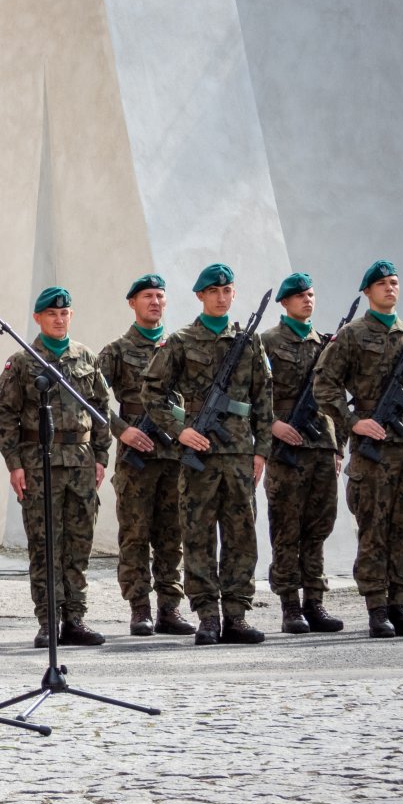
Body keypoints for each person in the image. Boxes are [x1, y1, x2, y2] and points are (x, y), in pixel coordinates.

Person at [140, 264, 273, 646]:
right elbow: (151, 392)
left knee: (241, 536)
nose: (221, 297)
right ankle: (208, 616)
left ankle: (236, 616)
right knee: (197, 535)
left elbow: (264, 398)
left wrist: (261, 451)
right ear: (200, 295)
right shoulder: (182, 341)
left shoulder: (249, 342)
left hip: (239, 453)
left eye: (227, 290)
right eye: (213, 291)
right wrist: (179, 430)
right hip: (200, 454)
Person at [0, 287, 111, 649]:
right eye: (51, 314)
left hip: (81, 462)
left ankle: (75, 618)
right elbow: (4, 417)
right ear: (38, 318)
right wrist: (14, 465)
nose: (59, 320)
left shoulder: (86, 357)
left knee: (79, 544)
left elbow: (101, 409)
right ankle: (48, 621)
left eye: (64, 314)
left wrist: (101, 456)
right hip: (39, 462)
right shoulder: (23, 361)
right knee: (45, 544)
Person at [313, 260, 403, 638]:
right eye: (382, 284)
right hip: (374, 450)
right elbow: (324, 385)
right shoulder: (352, 335)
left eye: (394, 282)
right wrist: (353, 421)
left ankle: (400, 604)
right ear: (368, 292)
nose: (390, 288)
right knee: (374, 528)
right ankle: (377, 608)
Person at [96, 275, 194, 637]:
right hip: (136, 456)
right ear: (132, 303)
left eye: (159, 296)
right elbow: (89, 399)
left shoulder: (180, 347)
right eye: (147, 296)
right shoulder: (117, 351)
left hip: (175, 454)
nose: (154, 302)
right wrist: (122, 429)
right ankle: (140, 609)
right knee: (135, 535)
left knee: (172, 535)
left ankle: (170, 608)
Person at [261, 273, 345, 634]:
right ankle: (290, 606)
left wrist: (338, 447)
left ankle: (315, 602)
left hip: (322, 446)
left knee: (318, 528)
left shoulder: (327, 344)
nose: (307, 300)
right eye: (299, 296)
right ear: (284, 302)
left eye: (310, 295)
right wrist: (272, 426)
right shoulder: (267, 342)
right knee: (286, 528)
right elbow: (253, 393)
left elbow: (336, 398)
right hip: (286, 450)